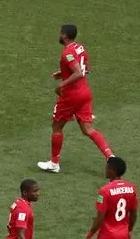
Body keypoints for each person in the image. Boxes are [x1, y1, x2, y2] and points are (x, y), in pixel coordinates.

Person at [37, 24, 114, 174]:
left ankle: (54, 163)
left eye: (60, 33)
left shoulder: (67, 53)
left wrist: (61, 84)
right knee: (87, 129)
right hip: (85, 92)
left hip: (72, 95)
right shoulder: (80, 48)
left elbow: (78, 72)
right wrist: (64, 72)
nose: (59, 35)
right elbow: (86, 69)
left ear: (65, 35)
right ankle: (110, 156)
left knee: (57, 127)